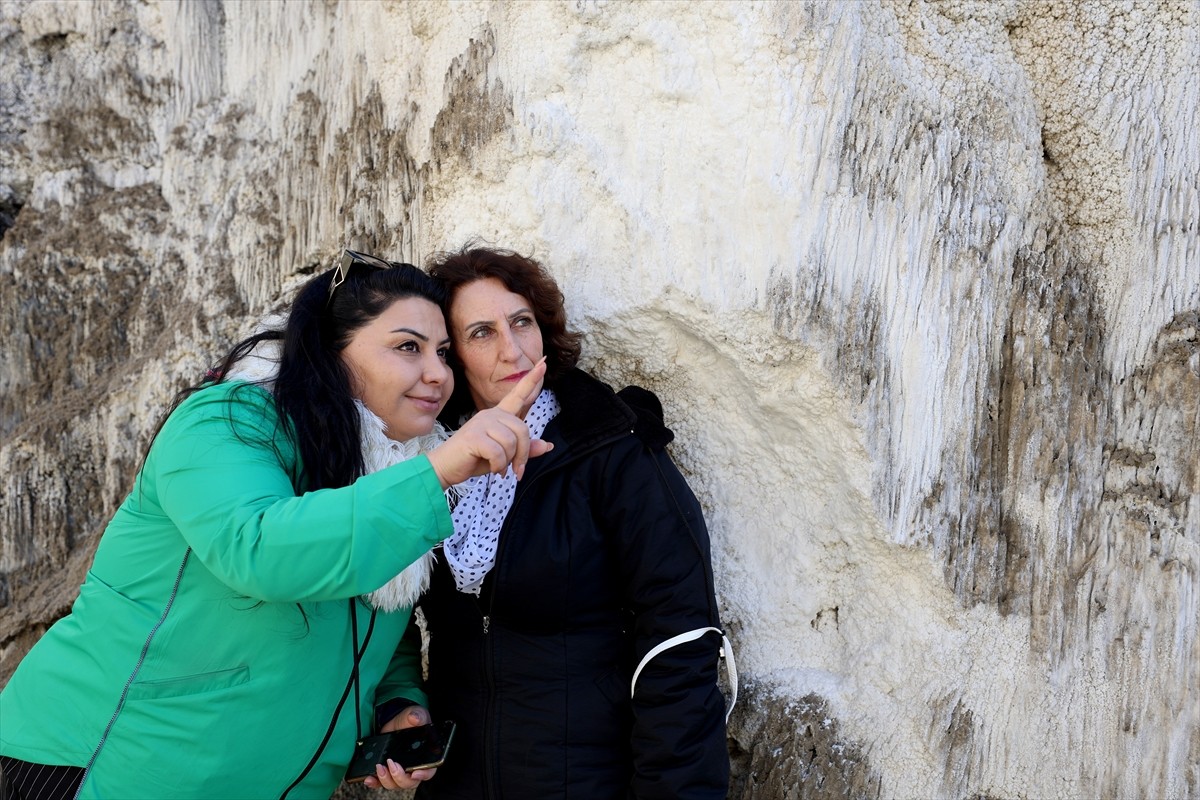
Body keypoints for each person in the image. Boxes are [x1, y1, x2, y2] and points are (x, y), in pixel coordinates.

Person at [0, 251, 549, 800]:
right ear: (329, 355)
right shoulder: (226, 420)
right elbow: (258, 550)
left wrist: (396, 703)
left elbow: (377, 610)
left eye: (444, 353)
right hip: (103, 765)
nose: (437, 373)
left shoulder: (391, 465)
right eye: (408, 347)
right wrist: (437, 473)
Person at [396, 245, 729, 799]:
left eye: (521, 322)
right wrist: (399, 704)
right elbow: (384, 612)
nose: (513, 349)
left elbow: (680, 644)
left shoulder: (614, 448)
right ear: (450, 355)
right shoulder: (425, 463)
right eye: (481, 333)